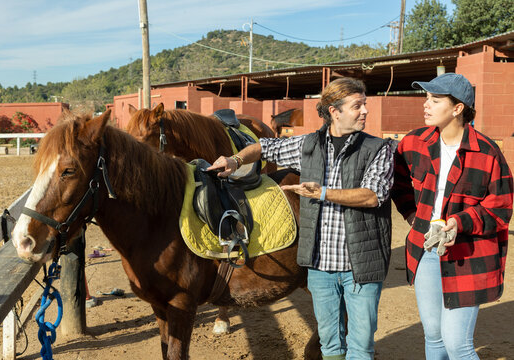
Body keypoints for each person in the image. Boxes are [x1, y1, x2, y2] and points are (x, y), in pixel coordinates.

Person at [208, 77, 394, 360]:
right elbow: (263, 148)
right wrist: (234, 161)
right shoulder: (308, 145)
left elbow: (372, 196)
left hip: (361, 265)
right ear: (334, 111)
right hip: (320, 268)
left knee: (361, 346)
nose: (365, 111)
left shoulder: (378, 149)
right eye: (358, 106)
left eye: (364, 104)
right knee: (330, 345)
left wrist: (322, 193)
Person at [392, 73, 513, 359]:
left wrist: (459, 222)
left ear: (458, 108)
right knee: (433, 337)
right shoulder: (413, 143)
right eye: (426, 98)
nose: (426, 105)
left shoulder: (487, 152)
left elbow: (500, 207)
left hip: (469, 255)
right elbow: (397, 183)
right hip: (425, 250)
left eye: (435, 100)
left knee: (457, 343)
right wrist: (412, 215)